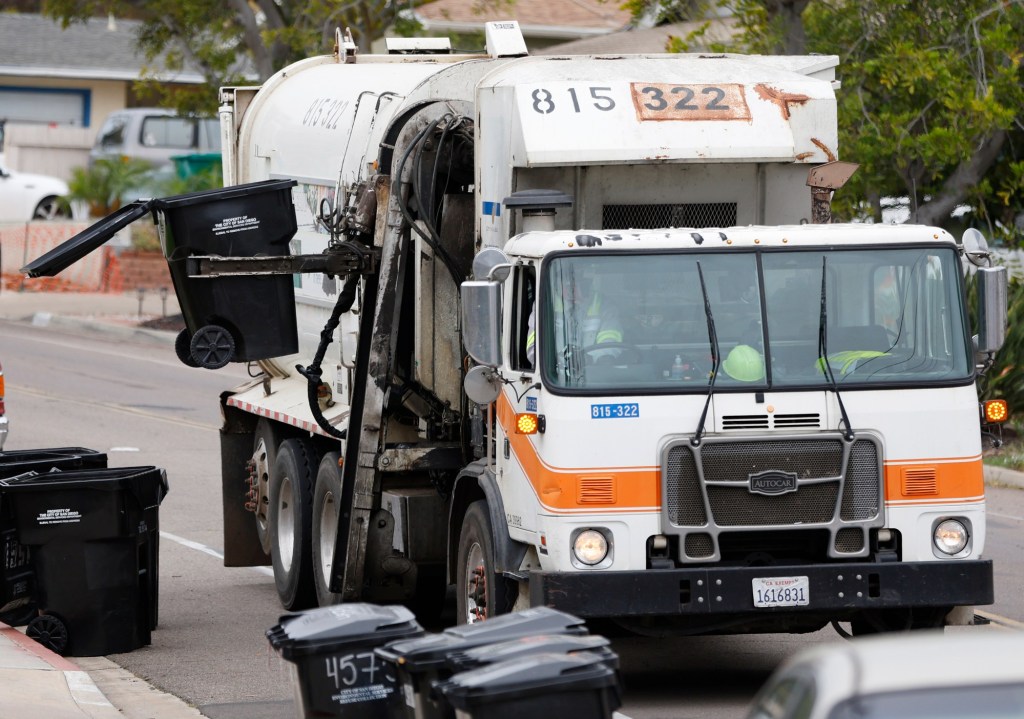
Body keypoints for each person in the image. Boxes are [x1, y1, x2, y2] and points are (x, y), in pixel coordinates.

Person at [526, 274, 623, 370]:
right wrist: (554, 364)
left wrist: (592, 359)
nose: (571, 291)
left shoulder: (604, 306)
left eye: (577, 285)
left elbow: (610, 340)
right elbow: (533, 348)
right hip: (555, 375)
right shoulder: (544, 305)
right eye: (567, 285)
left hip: (593, 373)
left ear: (587, 285)